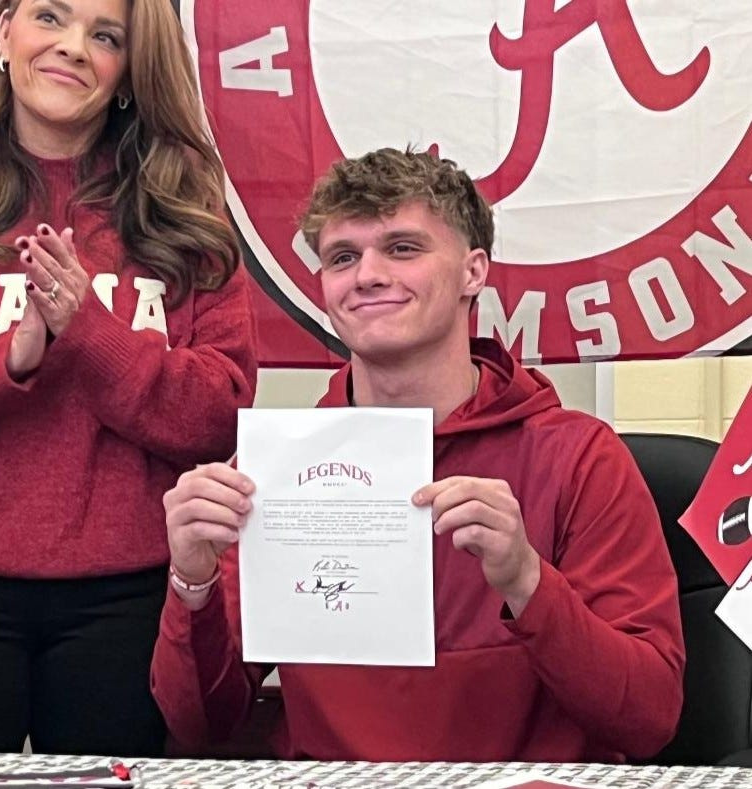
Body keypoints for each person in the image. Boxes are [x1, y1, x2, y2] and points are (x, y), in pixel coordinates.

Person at [152, 148, 684, 763]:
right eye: (342, 257)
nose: (368, 275)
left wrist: (526, 582)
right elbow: (200, 726)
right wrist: (192, 581)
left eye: (403, 248)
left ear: (473, 271)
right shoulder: (278, 470)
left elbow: (648, 718)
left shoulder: (580, 458)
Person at [0, 0, 256, 756]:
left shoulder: (183, 212)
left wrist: (88, 335)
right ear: (2, 38)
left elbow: (220, 414)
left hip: (127, 597)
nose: (71, 49)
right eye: (49, 19)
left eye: (105, 37)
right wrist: (16, 357)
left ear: (128, 73)